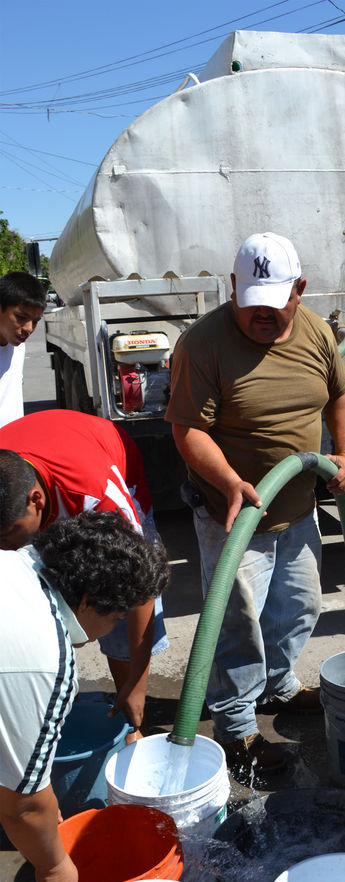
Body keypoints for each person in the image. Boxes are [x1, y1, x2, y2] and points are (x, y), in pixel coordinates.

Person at [166, 232, 345, 778]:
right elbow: (187, 430)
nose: (262, 317)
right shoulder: (203, 344)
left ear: (300, 289)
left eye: (275, 304)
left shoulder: (317, 331)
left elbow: (340, 393)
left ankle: (279, 685)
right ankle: (236, 727)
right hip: (234, 514)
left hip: (297, 507)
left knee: (298, 608)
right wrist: (228, 481)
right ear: (233, 288)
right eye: (251, 305)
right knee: (236, 624)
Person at [0, 512, 169, 882]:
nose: (111, 629)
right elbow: (23, 807)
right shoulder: (46, 657)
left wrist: (34, 787)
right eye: (115, 617)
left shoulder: (15, 563)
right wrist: (55, 866)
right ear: (88, 601)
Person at [0, 410, 169, 733]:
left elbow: (141, 584)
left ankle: (128, 719)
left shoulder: (99, 495)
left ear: (36, 501)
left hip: (102, 456)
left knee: (116, 592)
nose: (4, 550)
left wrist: (136, 684)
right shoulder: (12, 505)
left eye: (7, 537)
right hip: (51, 460)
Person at [0, 272, 47, 427]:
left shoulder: (18, 348)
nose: (29, 328)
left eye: (35, 321)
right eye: (21, 317)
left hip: (12, 445)